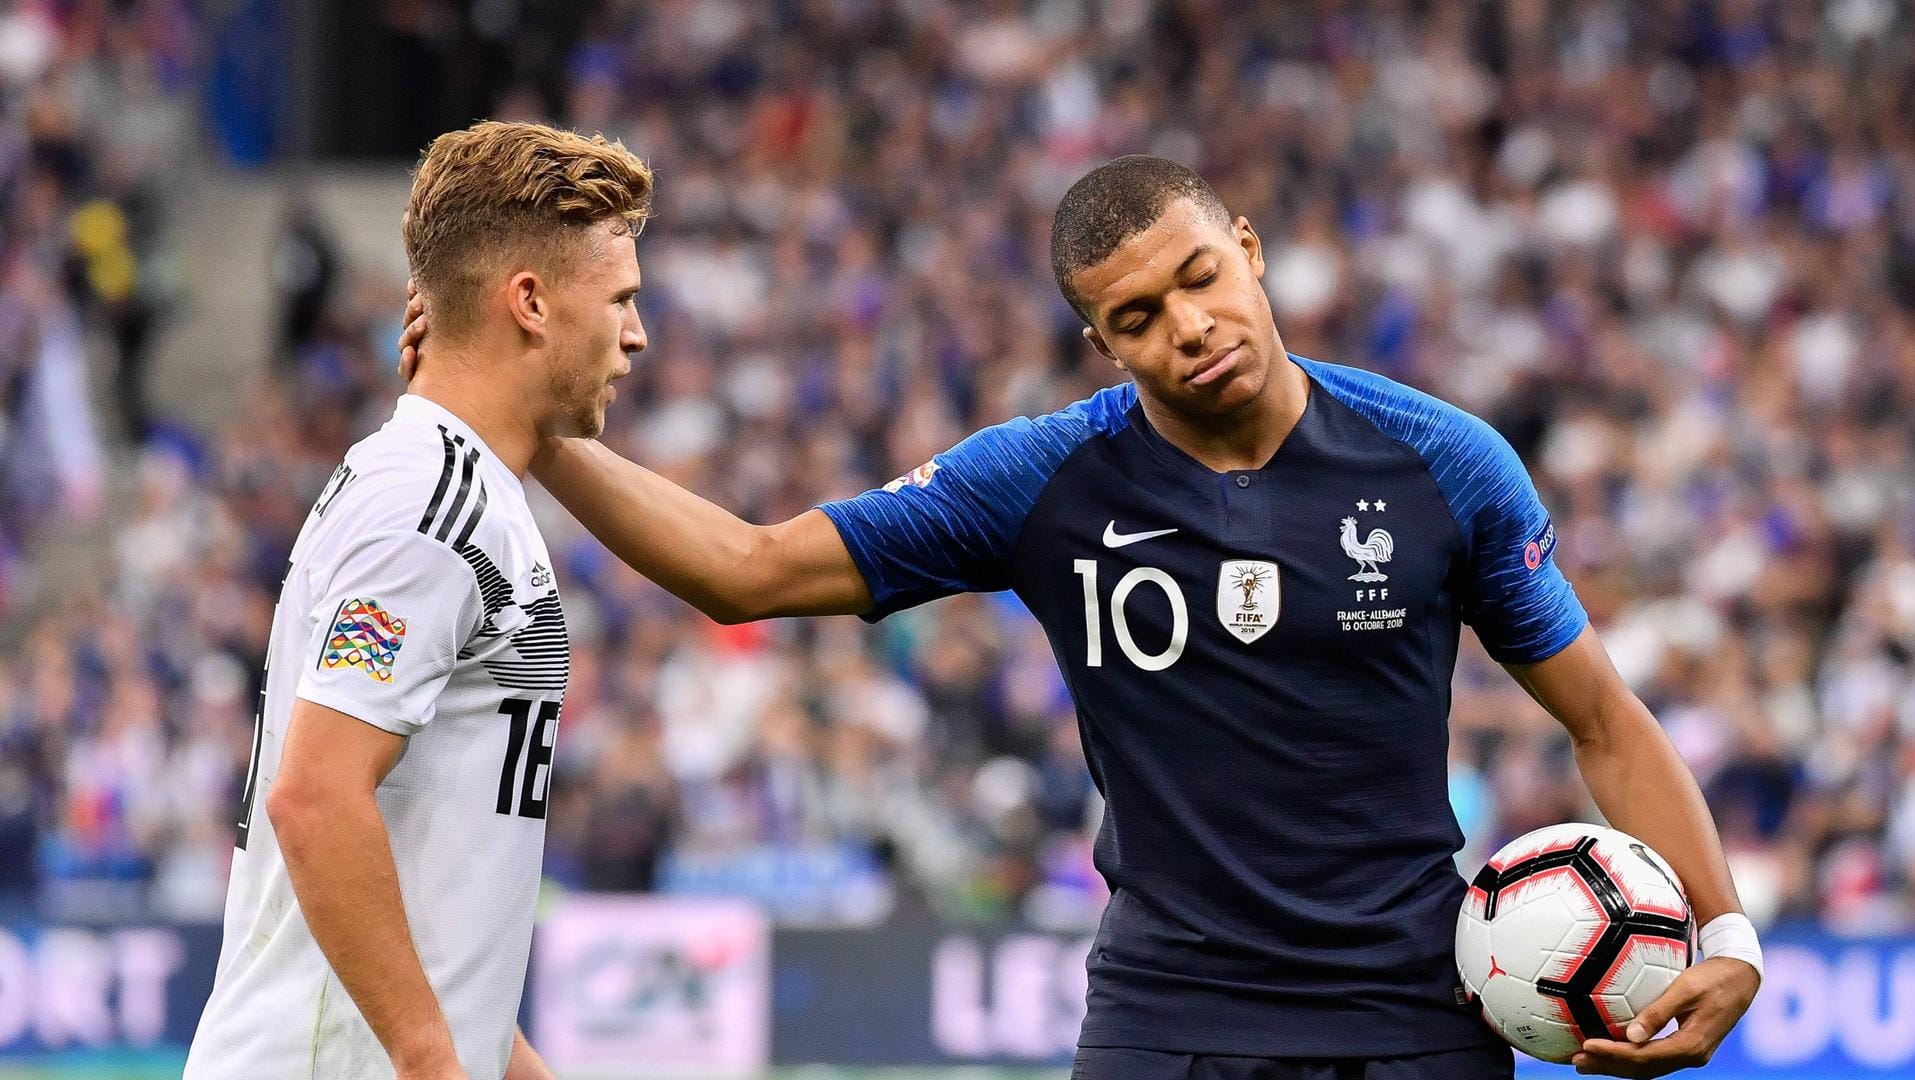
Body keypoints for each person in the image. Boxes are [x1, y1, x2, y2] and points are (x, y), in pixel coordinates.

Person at [404, 154, 1761, 1079]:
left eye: (1198, 279)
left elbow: (1599, 715)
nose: (1186, 325)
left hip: (1409, 1017)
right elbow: (747, 569)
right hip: (1165, 1021)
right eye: (1135, 315)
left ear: (1247, 249)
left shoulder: (1438, 462)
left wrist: (1723, 933)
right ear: (1097, 342)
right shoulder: (1044, 479)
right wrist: (536, 431)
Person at [187, 120, 650, 1080]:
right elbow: (314, 798)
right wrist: (433, 1061)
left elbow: (439, 884)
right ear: (529, 302)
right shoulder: (425, 509)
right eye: (620, 301)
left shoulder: (469, 496)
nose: (636, 335)